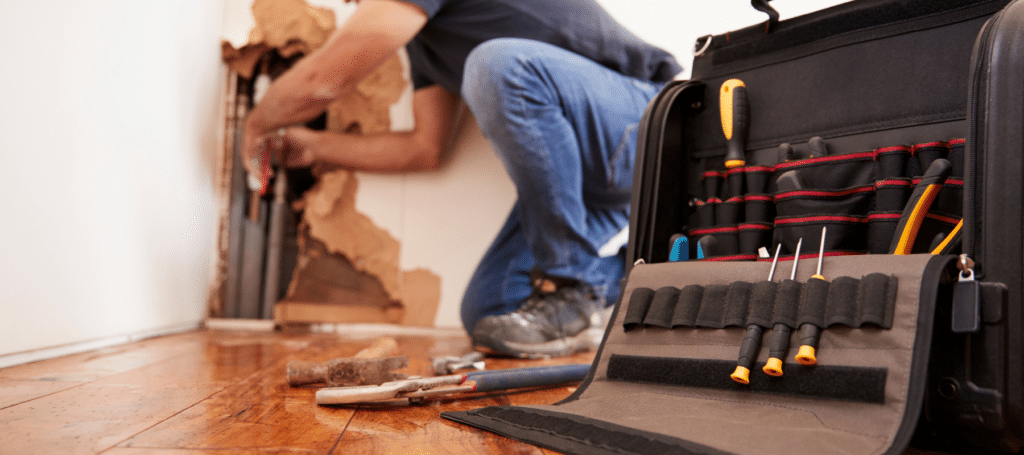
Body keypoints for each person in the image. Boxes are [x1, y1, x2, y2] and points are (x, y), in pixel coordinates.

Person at [241, 0, 682, 358]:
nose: (346, 3)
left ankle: (571, 287)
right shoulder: (424, 45)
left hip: (643, 122)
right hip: (584, 182)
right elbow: (425, 149)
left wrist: (256, 123)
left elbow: (327, 78)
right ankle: (649, 277)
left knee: (498, 65)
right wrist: (316, 147)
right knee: (493, 311)